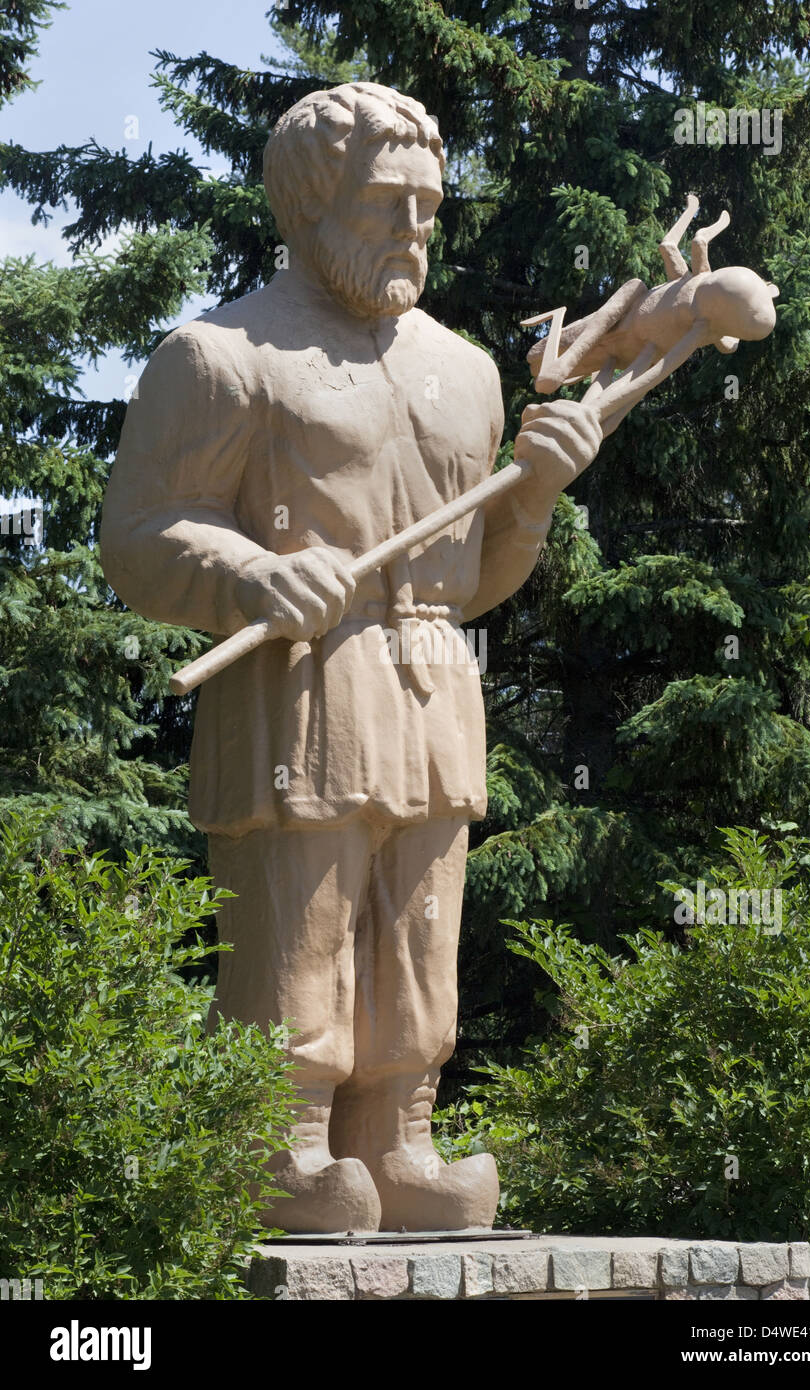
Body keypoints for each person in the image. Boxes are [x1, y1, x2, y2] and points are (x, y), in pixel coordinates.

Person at [100, 81, 602, 1232]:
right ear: (309, 204)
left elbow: (471, 578)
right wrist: (249, 571)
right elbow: (136, 535)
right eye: (387, 206)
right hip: (298, 688)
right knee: (299, 926)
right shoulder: (223, 356)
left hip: (432, 686)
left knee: (420, 934)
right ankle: (280, 1148)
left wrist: (531, 501)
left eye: (428, 207)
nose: (415, 232)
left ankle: (400, 1142)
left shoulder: (467, 373)